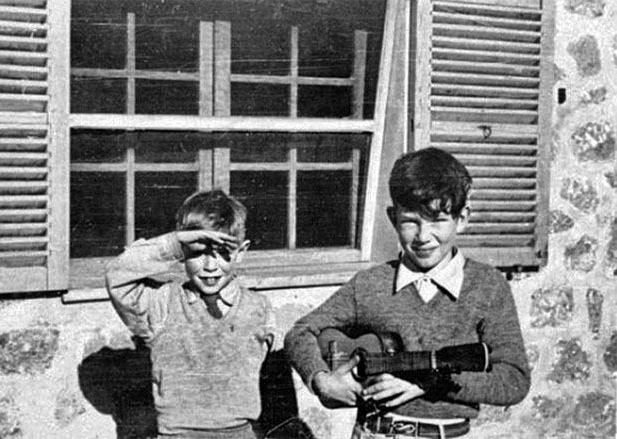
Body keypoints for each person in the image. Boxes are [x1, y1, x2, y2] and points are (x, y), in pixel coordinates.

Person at [284, 147, 530, 439]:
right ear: (393, 218)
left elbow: (513, 380)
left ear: (462, 218)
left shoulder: (488, 286)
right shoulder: (370, 284)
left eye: (437, 221)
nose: (423, 236)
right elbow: (301, 332)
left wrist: (429, 382)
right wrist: (321, 380)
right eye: (411, 221)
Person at [106, 189, 276, 439]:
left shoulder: (259, 308)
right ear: (183, 253)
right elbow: (117, 274)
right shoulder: (162, 302)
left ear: (240, 252)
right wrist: (174, 243)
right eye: (197, 253)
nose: (209, 266)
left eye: (221, 253)